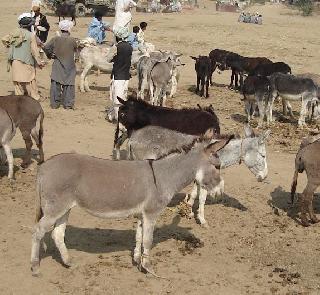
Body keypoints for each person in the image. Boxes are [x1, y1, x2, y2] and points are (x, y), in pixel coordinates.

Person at [4, 13, 44, 100]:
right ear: (30, 25)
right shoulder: (31, 35)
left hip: (15, 61)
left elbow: (4, 39)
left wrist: (10, 46)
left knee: (17, 82)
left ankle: (19, 100)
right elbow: (35, 51)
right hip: (27, 62)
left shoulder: (14, 32)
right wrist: (39, 62)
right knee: (30, 81)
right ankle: (35, 98)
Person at [44, 20, 77, 110]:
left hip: (57, 64)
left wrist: (50, 55)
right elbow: (76, 50)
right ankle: (68, 104)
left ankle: (55, 104)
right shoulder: (73, 40)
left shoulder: (55, 39)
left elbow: (46, 47)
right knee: (69, 85)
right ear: (69, 29)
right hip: (69, 66)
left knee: (55, 84)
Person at [109, 27, 133, 121]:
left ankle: (118, 118)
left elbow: (108, 59)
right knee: (123, 96)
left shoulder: (116, 47)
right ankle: (116, 115)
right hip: (126, 76)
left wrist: (113, 58)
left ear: (117, 36)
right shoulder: (130, 47)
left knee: (117, 99)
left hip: (118, 75)